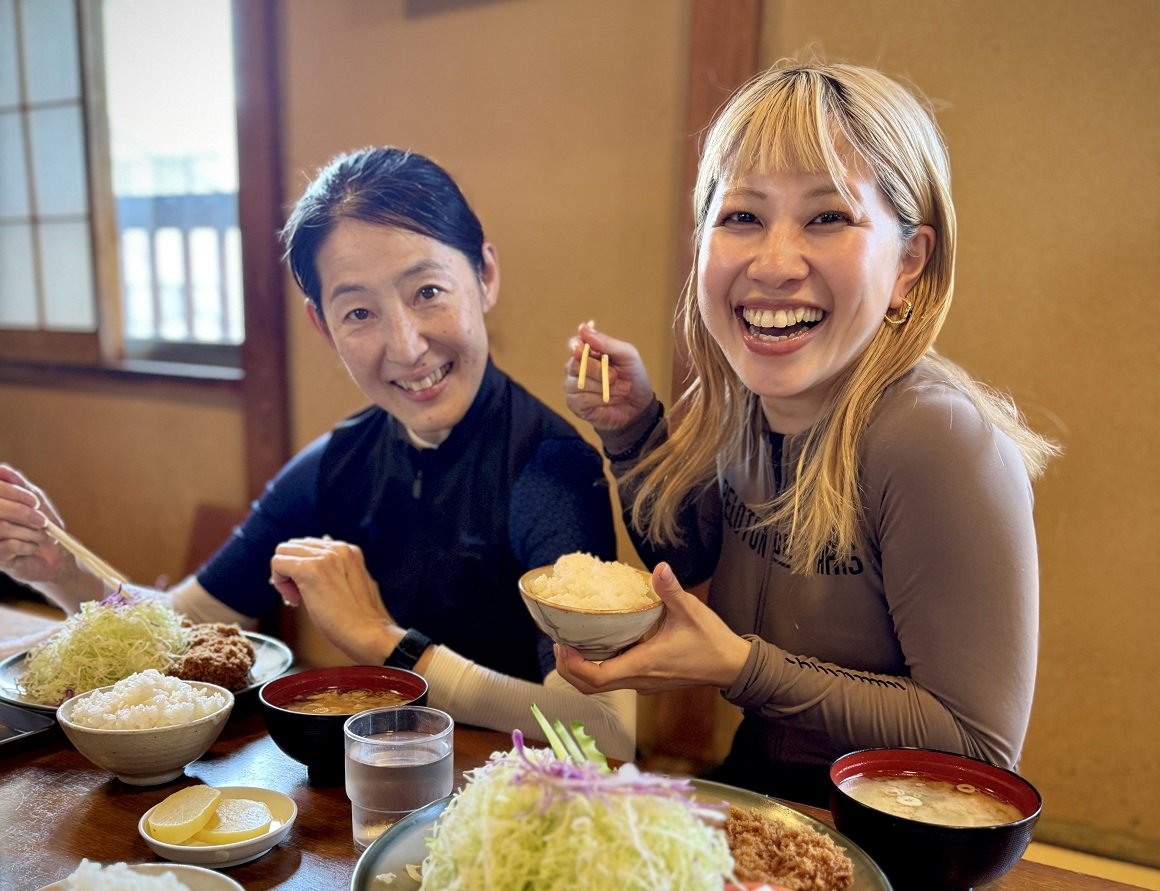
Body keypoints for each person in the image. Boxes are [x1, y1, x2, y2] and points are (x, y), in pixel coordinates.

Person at [0, 146, 636, 759]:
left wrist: (385, 644)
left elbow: (604, 730)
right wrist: (60, 570)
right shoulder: (338, 460)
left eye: (428, 292)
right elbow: (176, 630)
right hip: (377, 784)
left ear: (485, 274)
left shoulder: (551, 468)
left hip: (509, 802)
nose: (407, 346)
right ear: (322, 326)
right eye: (359, 311)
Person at [558, 60, 1059, 804]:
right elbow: (689, 557)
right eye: (742, 217)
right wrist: (634, 431)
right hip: (761, 790)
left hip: (896, 828)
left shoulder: (936, 440)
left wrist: (736, 666)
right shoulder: (746, 400)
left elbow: (979, 745)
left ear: (909, 265)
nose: (774, 262)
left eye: (827, 217)